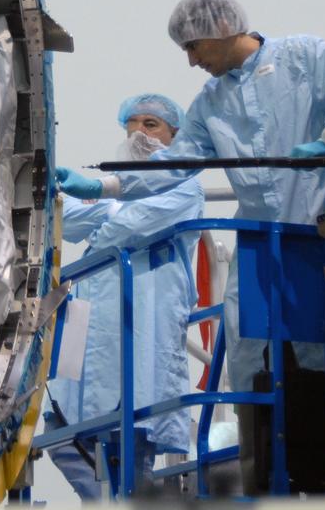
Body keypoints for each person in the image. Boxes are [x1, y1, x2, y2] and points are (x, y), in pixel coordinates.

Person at [55, 0, 325, 495]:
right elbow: (176, 167)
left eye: (195, 46)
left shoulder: (304, 56)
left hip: (319, 235)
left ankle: (322, 484)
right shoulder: (212, 103)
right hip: (257, 244)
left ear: (223, 27)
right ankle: (268, 482)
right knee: (254, 366)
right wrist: (105, 185)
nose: (192, 60)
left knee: (321, 364)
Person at [45, 94, 205, 501]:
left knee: (134, 440)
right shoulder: (116, 192)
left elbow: (131, 228)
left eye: (151, 124)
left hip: (143, 326)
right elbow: (70, 219)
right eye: (132, 124)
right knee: (62, 434)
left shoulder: (186, 185)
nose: (139, 132)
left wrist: (101, 220)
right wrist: (49, 190)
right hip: (93, 331)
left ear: (175, 134)